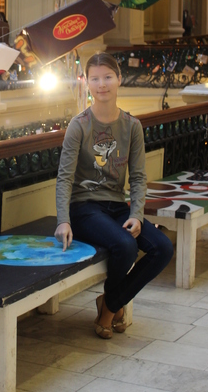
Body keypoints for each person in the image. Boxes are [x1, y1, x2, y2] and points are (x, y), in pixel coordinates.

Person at [55, 53, 173, 339]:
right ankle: (111, 309)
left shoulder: (132, 126)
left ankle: (108, 303)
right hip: (85, 208)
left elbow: (139, 177)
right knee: (125, 245)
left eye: (107, 77)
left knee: (162, 248)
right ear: (87, 82)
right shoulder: (79, 125)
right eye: (95, 78)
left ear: (119, 79)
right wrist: (63, 220)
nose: (102, 84)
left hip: (118, 206)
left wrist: (137, 215)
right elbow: (65, 178)